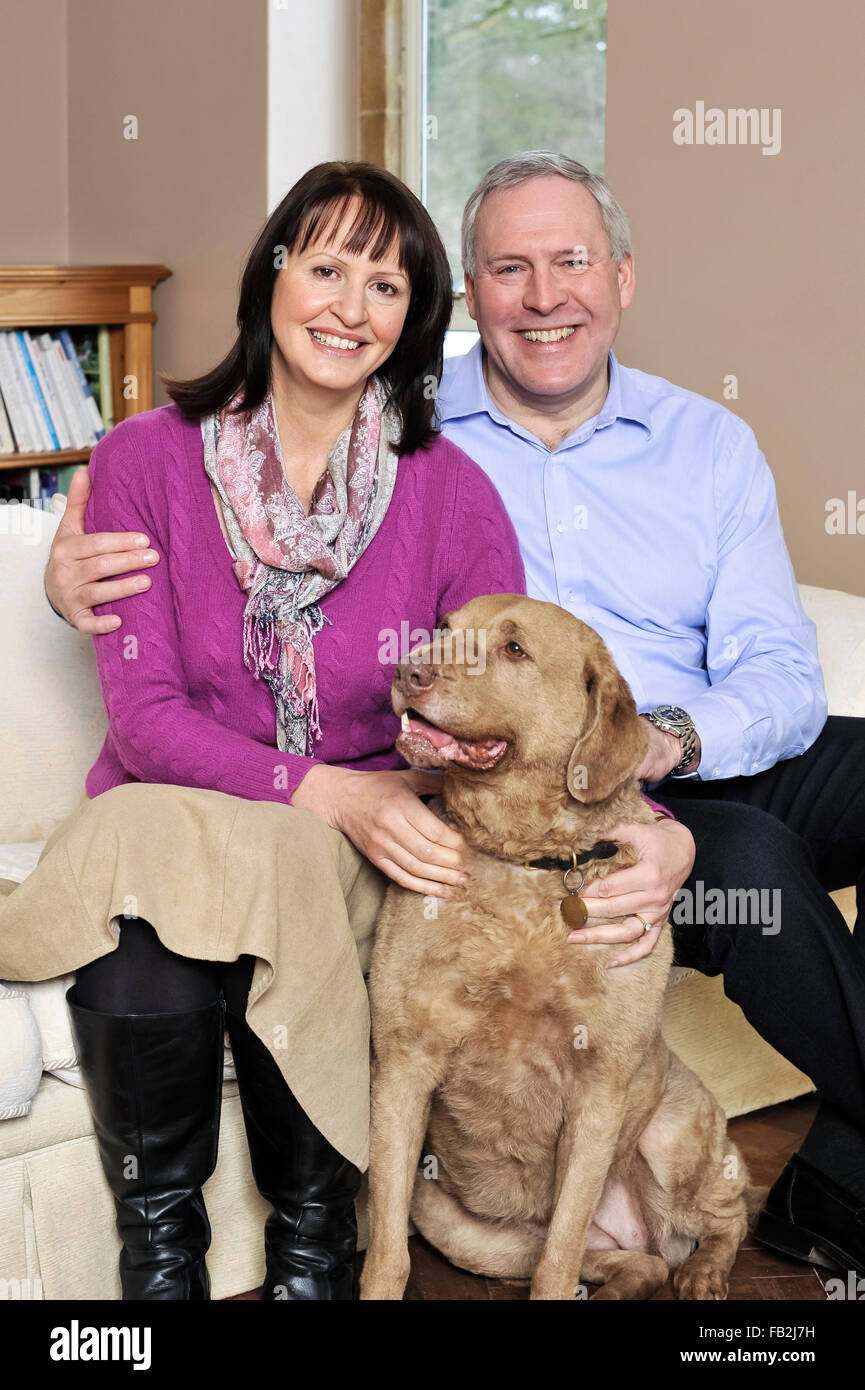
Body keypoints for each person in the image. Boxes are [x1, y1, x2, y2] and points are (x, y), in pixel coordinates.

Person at [45, 152, 865, 1281]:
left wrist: (637, 770)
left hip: (533, 787)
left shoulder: (503, 475)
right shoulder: (188, 454)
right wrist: (338, 785)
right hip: (323, 807)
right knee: (146, 978)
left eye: (385, 287)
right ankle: (198, 1261)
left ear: (619, 276)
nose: (349, 307)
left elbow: (548, 699)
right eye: (325, 268)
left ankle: (316, 1244)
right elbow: (158, 713)